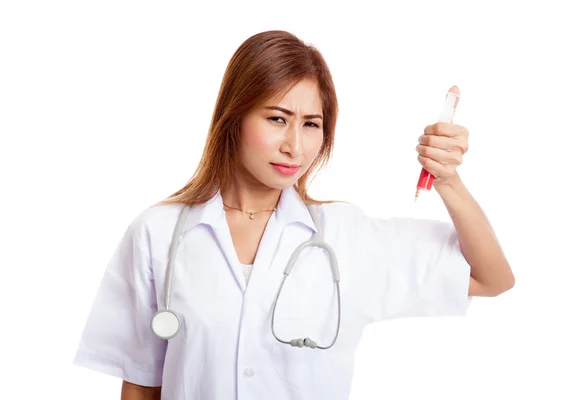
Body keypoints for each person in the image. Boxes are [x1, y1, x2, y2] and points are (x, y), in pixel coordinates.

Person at [73, 30, 515, 400]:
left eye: (311, 124)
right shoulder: (159, 233)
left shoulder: (346, 237)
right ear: (234, 117)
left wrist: (448, 182)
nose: (295, 147)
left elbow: (491, 278)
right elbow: (141, 386)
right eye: (277, 119)